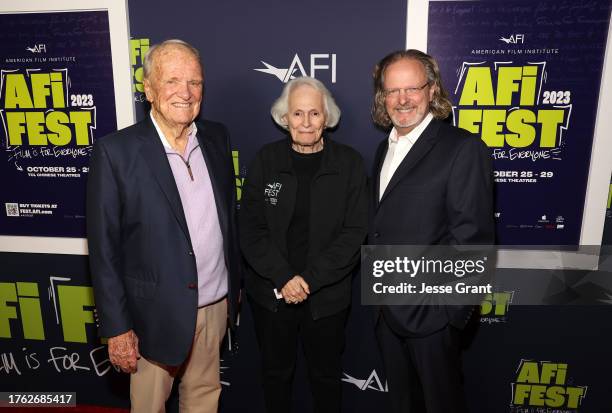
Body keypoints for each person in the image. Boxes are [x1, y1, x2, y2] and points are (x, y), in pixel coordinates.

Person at [87, 39, 240, 413]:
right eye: (172, 81)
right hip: (151, 315)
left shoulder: (217, 138)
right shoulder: (116, 152)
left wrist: (234, 284)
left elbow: (228, 220)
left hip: (213, 305)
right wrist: (117, 328)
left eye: (195, 82)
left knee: (204, 399)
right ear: (149, 89)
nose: (185, 93)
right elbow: (104, 249)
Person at [369, 49, 495, 413]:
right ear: (382, 97)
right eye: (392, 91)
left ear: (432, 90)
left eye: (412, 88)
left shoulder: (463, 149)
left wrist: (448, 317)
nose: (402, 99)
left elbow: (473, 241)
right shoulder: (384, 148)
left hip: (431, 319)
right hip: (385, 311)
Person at [240, 76, 368, 413]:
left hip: (326, 298)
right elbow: (250, 229)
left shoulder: (350, 164)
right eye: (297, 114)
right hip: (272, 295)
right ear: (284, 118)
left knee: (326, 379)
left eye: (314, 113)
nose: (306, 122)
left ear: (328, 117)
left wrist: (309, 279)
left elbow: (355, 233)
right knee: (275, 377)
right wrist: (283, 277)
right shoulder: (265, 160)